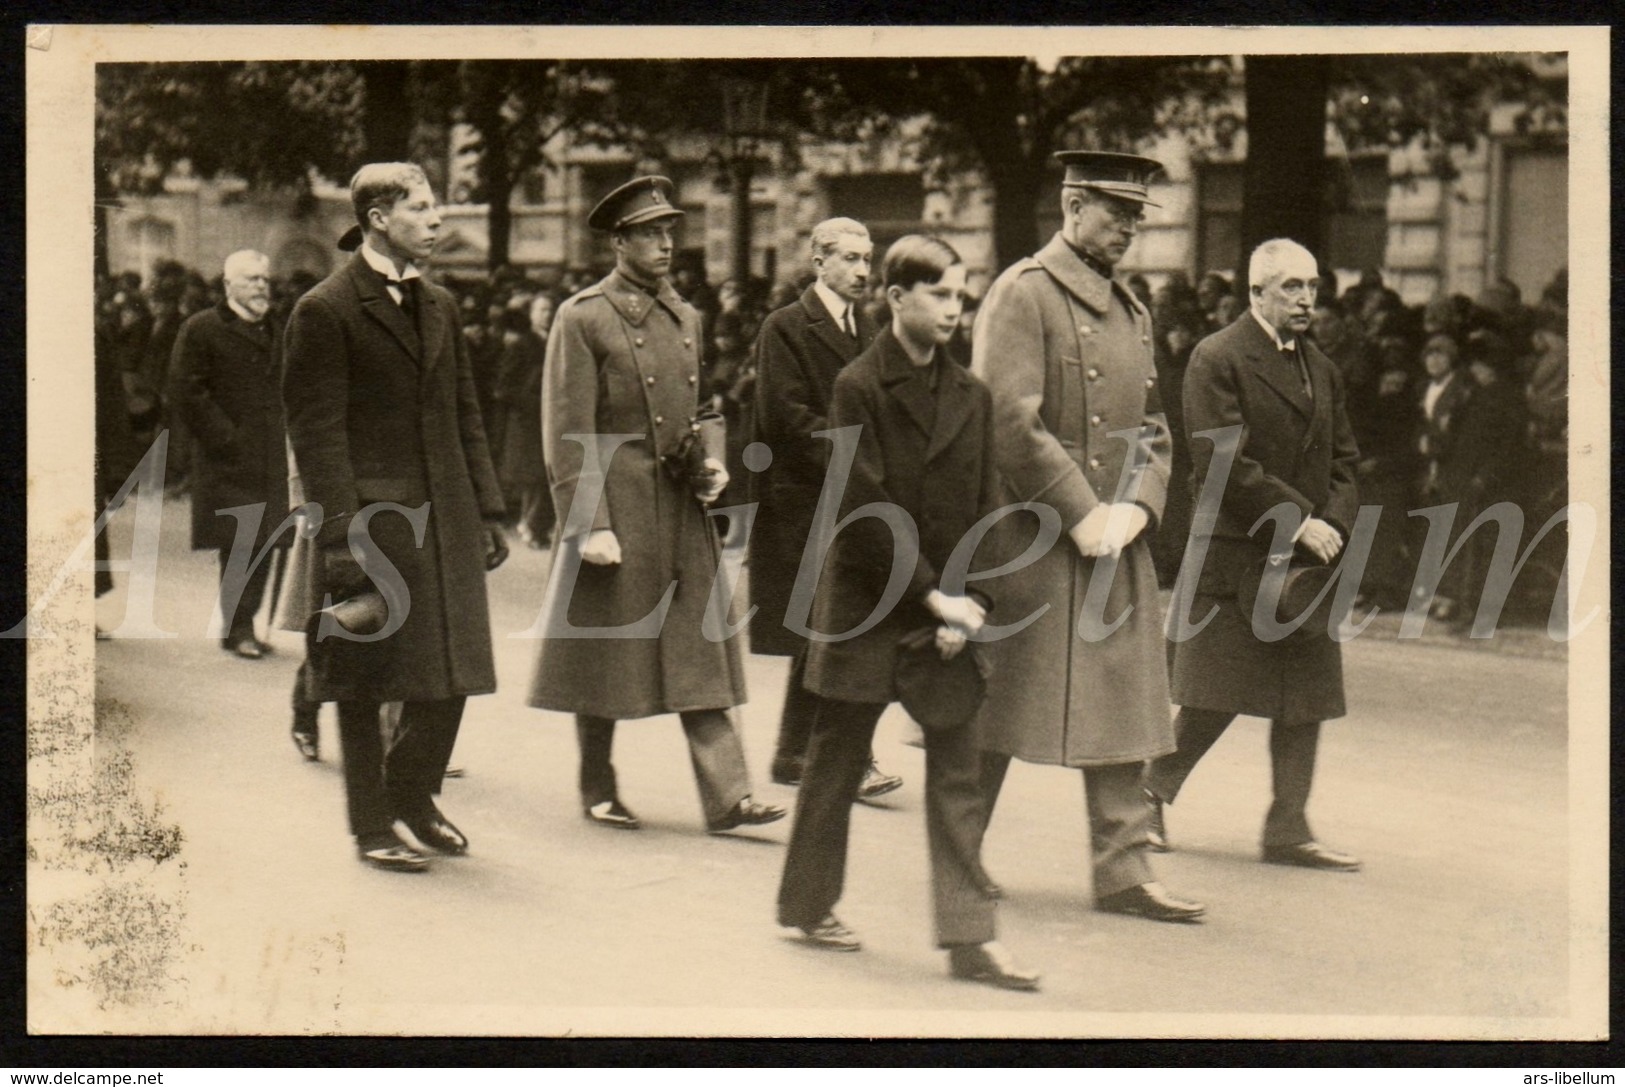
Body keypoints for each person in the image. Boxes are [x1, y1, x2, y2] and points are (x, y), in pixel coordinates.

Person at [775, 235, 1038, 990]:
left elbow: (990, 505)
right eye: (941, 296)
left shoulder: (972, 395)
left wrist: (974, 601)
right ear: (896, 298)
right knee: (835, 760)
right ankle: (806, 902)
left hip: (946, 609)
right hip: (868, 600)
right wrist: (933, 595)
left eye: (962, 296)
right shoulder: (857, 385)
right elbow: (863, 505)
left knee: (957, 767)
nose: (956, 310)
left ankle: (969, 938)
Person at [971, 151, 1204, 924]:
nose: (1130, 228)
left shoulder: (1132, 308)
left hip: (1114, 537)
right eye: (1116, 212)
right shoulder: (1021, 293)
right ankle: (956, 848)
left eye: (1137, 215)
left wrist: (1135, 506)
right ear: (1072, 206)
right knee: (996, 703)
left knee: (1123, 704)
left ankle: (1123, 869)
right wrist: (1080, 510)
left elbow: (1153, 427)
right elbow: (1009, 417)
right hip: (1031, 532)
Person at [527, 175, 783, 835]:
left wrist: (713, 458)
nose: (666, 244)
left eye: (670, 231)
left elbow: (702, 408)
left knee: (700, 647)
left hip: (678, 503)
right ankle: (597, 785)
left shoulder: (684, 314)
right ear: (618, 241)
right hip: (619, 504)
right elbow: (567, 430)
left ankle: (729, 795)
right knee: (607, 655)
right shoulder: (582, 317)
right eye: (649, 233)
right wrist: (588, 524)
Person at [283, 162, 509, 873]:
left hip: (445, 512)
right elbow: (317, 434)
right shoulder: (326, 308)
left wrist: (487, 508)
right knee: (363, 675)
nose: (438, 219)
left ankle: (413, 794)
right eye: (422, 206)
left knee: (453, 666)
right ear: (379, 218)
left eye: (435, 205)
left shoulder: (438, 302)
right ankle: (371, 824)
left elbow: (463, 410)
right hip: (372, 521)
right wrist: (342, 539)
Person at [1144, 238, 1363, 873]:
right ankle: (1148, 794)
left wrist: (1332, 525)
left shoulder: (1321, 366)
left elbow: (1347, 460)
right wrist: (1300, 522)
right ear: (1256, 292)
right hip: (1237, 551)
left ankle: (1288, 827)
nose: (1305, 299)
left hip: (1308, 560)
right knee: (1216, 692)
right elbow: (1221, 460)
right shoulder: (1216, 357)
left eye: (1313, 287)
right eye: (1291, 286)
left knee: (1307, 694)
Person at [749, 217, 904, 802]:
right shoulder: (785, 327)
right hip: (807, 499)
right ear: (819, 261)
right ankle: (834, 756)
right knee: (833, 629)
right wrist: (862, 456)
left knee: (831, 629)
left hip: (852, 497)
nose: (864, 271)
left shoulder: (865, 328)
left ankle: (796, 753)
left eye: (868, 259)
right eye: (851, 259)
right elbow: (784, 418)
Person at [173, 250, 292, 659]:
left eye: (265, 279)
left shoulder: (278, 328)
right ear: (229, 286)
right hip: (227, 457)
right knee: (240, 541)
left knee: (267, 539)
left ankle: (244, 624)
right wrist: (226, 438)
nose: (262, 286)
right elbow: (187, 391)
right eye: (252, 279)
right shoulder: (202, 329)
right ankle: (239, 626)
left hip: (272, 454)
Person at [498, 298, 553, 548]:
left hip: (551, 418)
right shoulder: (522, 345)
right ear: (531, 314)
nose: (546, 315)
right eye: (541, 310)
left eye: (550, 310)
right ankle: (530, 526)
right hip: (527, 421)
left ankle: (533, 525)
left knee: (547, 473)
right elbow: (503, 387)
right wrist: (531, 400)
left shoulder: (556, 342)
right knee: (534, 476)